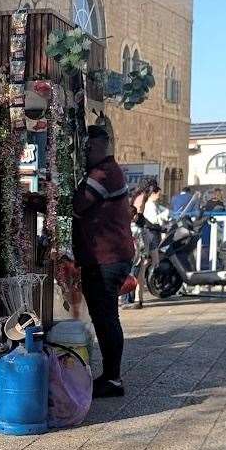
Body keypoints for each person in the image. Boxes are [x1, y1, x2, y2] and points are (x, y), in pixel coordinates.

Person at [72, 125, 134, 399]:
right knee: (106, 316)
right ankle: (111, 376)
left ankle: (112, 378)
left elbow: (77, 205)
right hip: (107, 256)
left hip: (107, 258)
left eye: (88, 148)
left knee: (106, 317)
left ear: (101, 147)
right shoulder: (107, 171)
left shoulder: (103, 173)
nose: (85, 153)